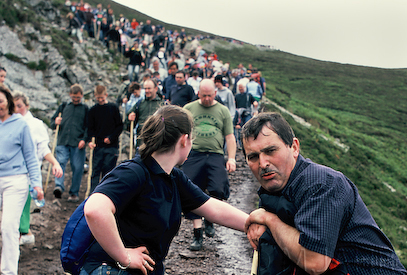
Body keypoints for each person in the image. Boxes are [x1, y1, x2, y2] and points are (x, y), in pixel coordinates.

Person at [80, 105, 248, 275]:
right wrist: (124, 256)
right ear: (184, 139)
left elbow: (212, 208)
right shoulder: (134, 172)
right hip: (111, 269)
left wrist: (253, 223)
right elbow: (95, 209)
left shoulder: (173, 177)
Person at [242, 112, 407, 275]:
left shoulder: (322, 184)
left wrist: (269, 220)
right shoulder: (278, 188)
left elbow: (315, 262)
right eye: (253, 157)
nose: (263, 163)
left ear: (294, 147)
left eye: (270, 151)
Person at [182, 79, 237, 251]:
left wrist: (232, 158)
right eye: (203, 95)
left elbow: (229, 136)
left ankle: (210, 219)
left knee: (219, 188)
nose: (206, 99)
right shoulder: (189, 109)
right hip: (194, 155)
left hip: (215, 155)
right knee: (191, 192)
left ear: (215, 94)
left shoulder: (222, 110)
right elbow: (181, 133)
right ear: (198, 93)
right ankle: (197, 234)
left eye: (210, 95)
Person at [0, 85, 43, 275]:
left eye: (0, 100)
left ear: (8, 102)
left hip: (15, 180)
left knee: (8, 226)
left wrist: (36, 183)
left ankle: (8, 271)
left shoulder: (20, 124)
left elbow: (30, 157)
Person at [13, 91, 63, 246]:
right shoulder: (7, 123)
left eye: (19, 106)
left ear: (27, 106)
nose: (16, 109)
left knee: (21, 202)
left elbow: (43, 149)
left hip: (27, 171)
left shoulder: (35, 125)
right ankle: (22, 232)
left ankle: (23, 232)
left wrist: (55, 162)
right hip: (9, 170)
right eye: (13, 106)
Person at [51, 84, 89, 202]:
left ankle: (74, 193)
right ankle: (59, 186)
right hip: (63, 140)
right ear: (70, 95)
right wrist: (55, 122)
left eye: (77, 98)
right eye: (73, 97)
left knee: (78, 167)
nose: (75, 100)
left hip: (78, 143)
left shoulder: (85, 109)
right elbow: (52, 122)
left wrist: (84, 139)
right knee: (60, 162)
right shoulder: (63, 106)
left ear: (82, 96)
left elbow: (89, 126)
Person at [87, 85, 123, 193]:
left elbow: (120, 126)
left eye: (102, 98)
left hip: (111, 146)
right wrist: (90, 141)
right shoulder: (93, 110)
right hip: (98, 146)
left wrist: (111, 138)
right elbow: (90, 128)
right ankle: (92, 194)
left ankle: (105, 193)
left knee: (108, 171)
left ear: (106, 95)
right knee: (95, 171)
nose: (100, 100)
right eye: (98, 98)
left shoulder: (113, 108)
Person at [126, 79, 164, 149]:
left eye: (149, 88)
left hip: (157, 141)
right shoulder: (139, 104)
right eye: (145, 88)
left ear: (155, 89)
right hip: (141, 141)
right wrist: (130, 118)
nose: (147, 91)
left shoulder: (162, 104)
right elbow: (128, 124)